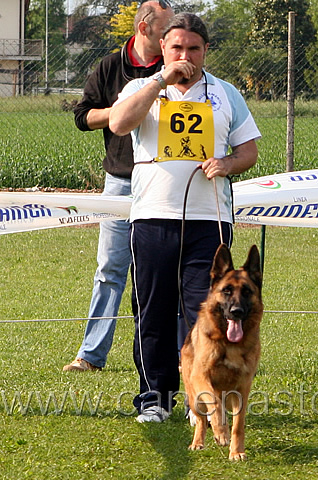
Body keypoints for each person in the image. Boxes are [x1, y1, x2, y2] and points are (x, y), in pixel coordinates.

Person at [109, 12, 261, 423]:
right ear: (163, 47)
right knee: (152, 309)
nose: (185, 55)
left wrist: (228, 164)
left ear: (206, 50)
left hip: (208, 221)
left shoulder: (226, 93)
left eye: (194, 48)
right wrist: (161, 79)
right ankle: (155, 398)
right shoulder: (141, 87)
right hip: (152, 217)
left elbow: (249, 150)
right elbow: (119, 123)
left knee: (206, 310)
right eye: (177, 47)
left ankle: (202, 398)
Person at [65, 1, 174, 372]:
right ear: (144, 29)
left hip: (163, 183)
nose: (171, 39)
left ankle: (175, 357)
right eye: (165, 32)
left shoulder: (175, 68)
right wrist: (124, 111)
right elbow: (82, 117)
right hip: (120, 182)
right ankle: (91, 356)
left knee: (163, 274)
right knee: (110, 269)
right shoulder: (110, 66)